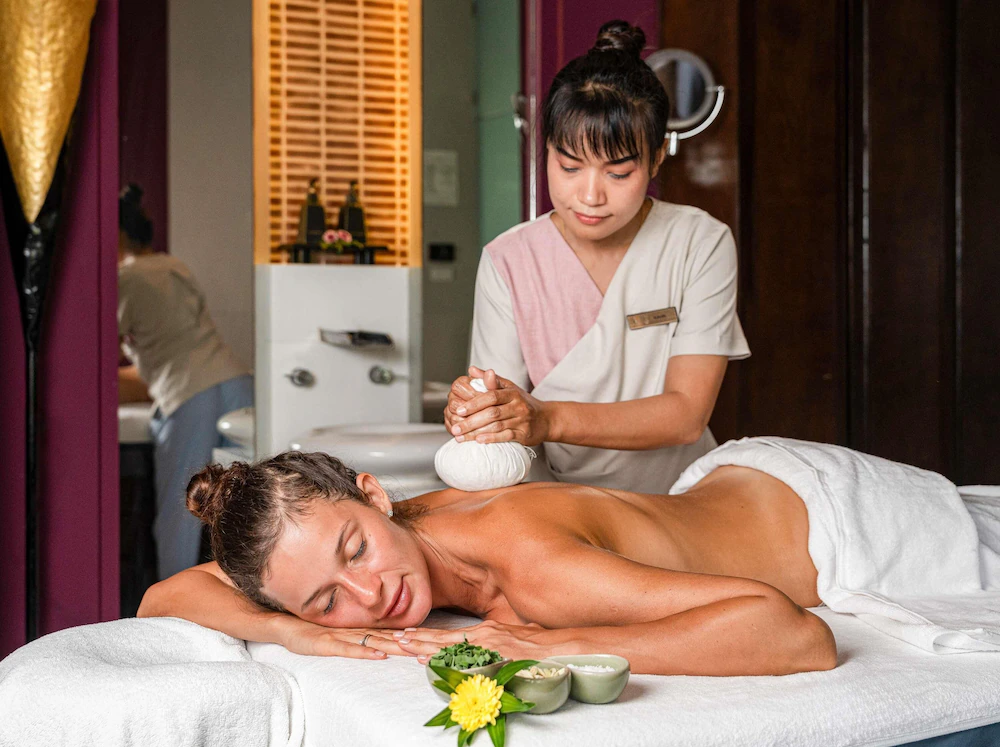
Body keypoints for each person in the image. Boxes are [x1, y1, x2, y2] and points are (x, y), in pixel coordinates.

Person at [138, 449, 842, 677]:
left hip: (835, 515)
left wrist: (549, 647)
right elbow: (165, 596)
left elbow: (797, 636)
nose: (369, 594)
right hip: (732, 488)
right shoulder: (373, 531)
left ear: (374, 495)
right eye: (327, 600)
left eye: (356, 551)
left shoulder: (533, 565)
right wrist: (296, 633)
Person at [446, 20, 750, 494]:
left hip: (680, 498)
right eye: (569, 166)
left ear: (656, 159)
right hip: (558, 501)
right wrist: (481, 412)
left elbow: (687, 415)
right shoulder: (509, 260)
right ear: (545, 150)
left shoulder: (699, 242)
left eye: (618, 173)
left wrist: (546, 419)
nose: (590, 196)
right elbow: (503, 417)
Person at [117, 183, 253, 580]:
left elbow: (91, 356)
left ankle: (173, 604)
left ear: (116, 233)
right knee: (242, 510)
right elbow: (176, 347)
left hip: (192, 397)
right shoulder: (173, 267)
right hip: (235, 381)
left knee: (179, 517)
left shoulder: (125, 279)